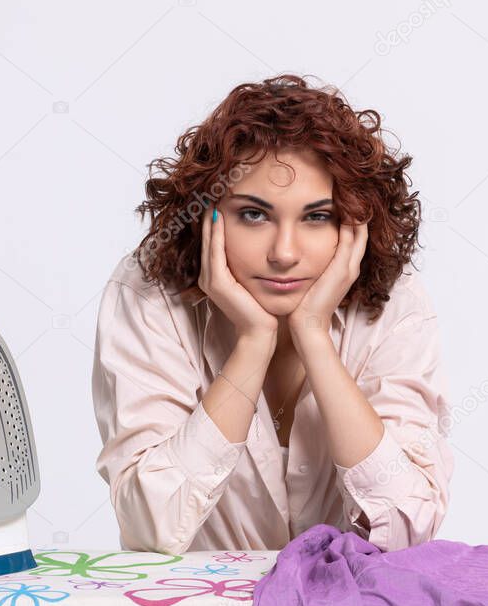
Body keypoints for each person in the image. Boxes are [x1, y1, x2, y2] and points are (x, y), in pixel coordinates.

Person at [90, 73, 454, 555]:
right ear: (206, 214)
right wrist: (253, 344)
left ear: (354, 225)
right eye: (254, 215)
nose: (284, 253)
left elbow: (409, 528)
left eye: (316, 217)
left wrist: (314, 339)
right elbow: (151, 525)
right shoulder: (149, 293)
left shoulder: (394, 302)